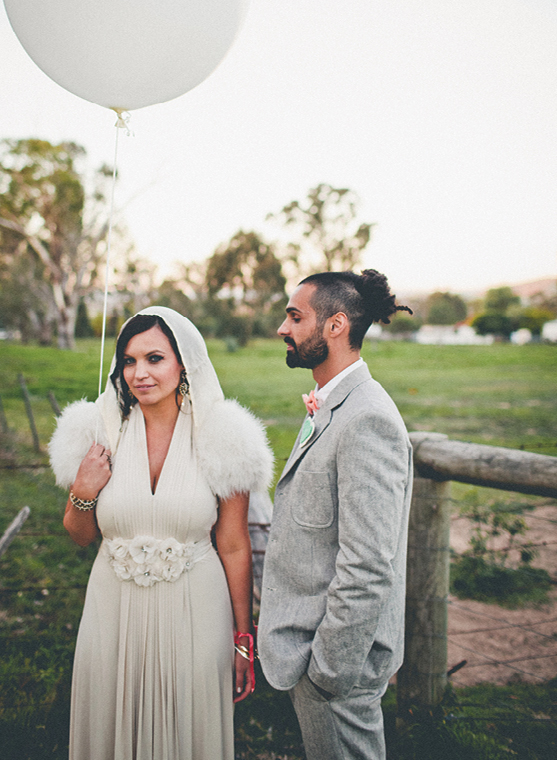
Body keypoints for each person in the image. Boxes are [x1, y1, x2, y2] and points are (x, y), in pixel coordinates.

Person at [49, 306, 273, 760]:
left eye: (155, 358)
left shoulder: (224, 437)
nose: (139, 373)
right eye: (129, 361)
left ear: (183, 364)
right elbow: (78, 534)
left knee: (187, 729)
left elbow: (233, 545)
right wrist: (82, 489)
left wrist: (243, 639)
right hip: (112, 610)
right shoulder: (99, 435)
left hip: (196, 611)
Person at [258, 270, 414, 760]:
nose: (283, 328)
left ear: (335, 325)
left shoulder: (367, 418)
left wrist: (327, 671)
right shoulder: (332, 404)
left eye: (295, 316)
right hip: (319, 658)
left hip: (335, 670)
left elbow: (368, 564)